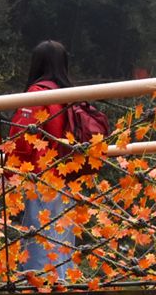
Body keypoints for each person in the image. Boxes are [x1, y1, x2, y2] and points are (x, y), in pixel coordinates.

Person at [7, 41, 104, 278]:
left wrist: (9, 175)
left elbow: (20, 140)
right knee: (62, 238)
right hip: (68, 177)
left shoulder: (37, 94)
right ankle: (63, 287)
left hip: (42, 177)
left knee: (40, 238)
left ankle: (43, 290)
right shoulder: (70, 96)